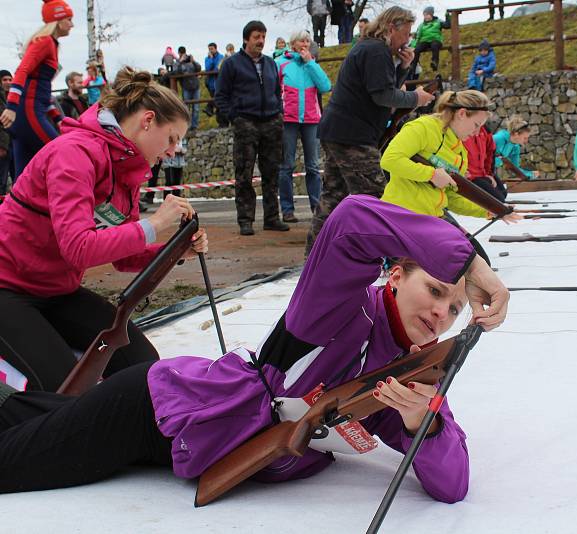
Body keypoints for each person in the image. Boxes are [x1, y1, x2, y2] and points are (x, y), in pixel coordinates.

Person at [0, 194, 509, 503]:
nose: (442, 312)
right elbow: (352, 220)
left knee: (32, 415)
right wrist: (470, 266)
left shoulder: (406, 377)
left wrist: (425, 421)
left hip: (178, 435)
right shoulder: (336, 309)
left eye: (457, 307)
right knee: (15, 462)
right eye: (437, 290)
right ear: (394, 276)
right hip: (156, 410)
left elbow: (453, 483)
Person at [0, 67, 208, 393]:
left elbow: (125, 257)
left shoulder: (127, 171)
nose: (172, 151)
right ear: (147, 120)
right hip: (7, 288)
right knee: (69, 388)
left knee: (142, 363)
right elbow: (78, 247)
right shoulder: (75, 153)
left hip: (57, 290)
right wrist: (154, 224)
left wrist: (176, 250)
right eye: (171, 138)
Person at [309, 7, 436, 255]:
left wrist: (404, 67)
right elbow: (384, 96)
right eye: (406, 33)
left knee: (334, 196)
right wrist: (415, 98)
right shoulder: (376, 50)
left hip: (339, 131)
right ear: (392, 28)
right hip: (352, 136)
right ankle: (386, 257)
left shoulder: (371, 48)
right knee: (376, 196)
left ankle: (316, 255)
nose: (408, 40)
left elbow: (381, 87)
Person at [381, 90, 519, 226]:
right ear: (462, 113)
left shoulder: (461, 154)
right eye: (476, 125)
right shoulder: (423, 127)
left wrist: (492, 210)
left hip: (432, 217)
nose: (477, 133)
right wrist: (432, 175)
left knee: (469, 248)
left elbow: (452, 198)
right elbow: (390, 159)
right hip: (400, 215)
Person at [215, 20, 288, 235]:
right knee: (244, 173)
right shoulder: (231, 64)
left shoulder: (270, 63)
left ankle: (272, 218)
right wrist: (234, 117)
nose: (261, 41)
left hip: (272, 122)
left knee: (272, 172)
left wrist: (279, 112)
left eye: (263, 37)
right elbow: (221, 96)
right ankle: (245, 220)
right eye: (257, 37)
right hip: (245, 122)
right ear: (246, 39)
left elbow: (276, 91)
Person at [0, 0, 73, 178]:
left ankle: (18, 206)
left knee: (23, 178)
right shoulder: (44, 42)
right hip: (28, 113)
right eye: (69, 19)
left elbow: (43, 92)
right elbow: (22, 70)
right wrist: (11, 107)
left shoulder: (53, 45)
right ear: (58, 20)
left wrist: (58, 119)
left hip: (30, 112)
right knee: (64, 154)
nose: (72, 24)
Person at [276, 30, 331, 224]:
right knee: (286, 166)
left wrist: (310, 62)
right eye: (301, 40)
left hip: (311, 119)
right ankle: (287, 210)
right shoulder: (280, 63)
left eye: (308, 40)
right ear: (293, 44)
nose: (305, 44)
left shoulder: (312, 64)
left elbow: (325, 86)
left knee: (313, 167)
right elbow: (273, 88)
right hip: (288, 119)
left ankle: (317, 208)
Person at [464, 124, 506, 202]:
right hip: (470, 176)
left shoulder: (485, 130)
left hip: (481, 173)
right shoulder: (463, 130)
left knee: (503, 193)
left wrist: (489, 174)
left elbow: (490, 153)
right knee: (498, 199)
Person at [493, 115, 538, 180]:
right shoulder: (498, 138)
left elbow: (515, 169)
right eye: (525, 138)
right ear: (516, 134)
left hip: (490, 171)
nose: (526, 141)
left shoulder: (516, 147)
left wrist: (531, 174)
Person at [409, 6, 448, 75]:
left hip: (435, 39)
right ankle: (413, 66)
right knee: (417, 49)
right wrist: (413, 45)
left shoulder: (438, 21)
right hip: (425, 41)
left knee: (434, 45)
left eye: (427, 15)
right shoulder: (421, 25)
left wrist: (448, 16)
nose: (425, 17)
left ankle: (435, 62)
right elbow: (417, 36)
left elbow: (448, 25)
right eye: (424, 15)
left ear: (431, 14)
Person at [176, 47, 201, 130]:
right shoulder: (178, 62)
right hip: (186, 87)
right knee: (186, 108)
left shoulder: (191, 61)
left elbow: (198, 68)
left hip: (195, 86)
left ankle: (194, 126)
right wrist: (180, 62)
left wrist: (193, 61)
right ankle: (187, 126)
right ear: (179, 54)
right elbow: (176, 72)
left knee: (196, 108)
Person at [203, 42, 224, 117]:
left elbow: (218, 68)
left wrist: (213, 70)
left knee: (218, 100)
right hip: (211, 83)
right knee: (216, 101)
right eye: (209, 49)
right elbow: (208, 69)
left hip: (219, 82)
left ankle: (209, 108)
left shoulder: (221, 57)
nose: (210, 51)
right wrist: (211, 59)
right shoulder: (207, 58)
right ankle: (210, 110)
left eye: (212, 49)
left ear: (216, 48)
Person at [0, 70, 11, 199]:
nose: (8, 82)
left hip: (14, 141)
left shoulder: (15, 97)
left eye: (10, 79)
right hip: (4, 143)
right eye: (5, 80)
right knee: (2, 180)